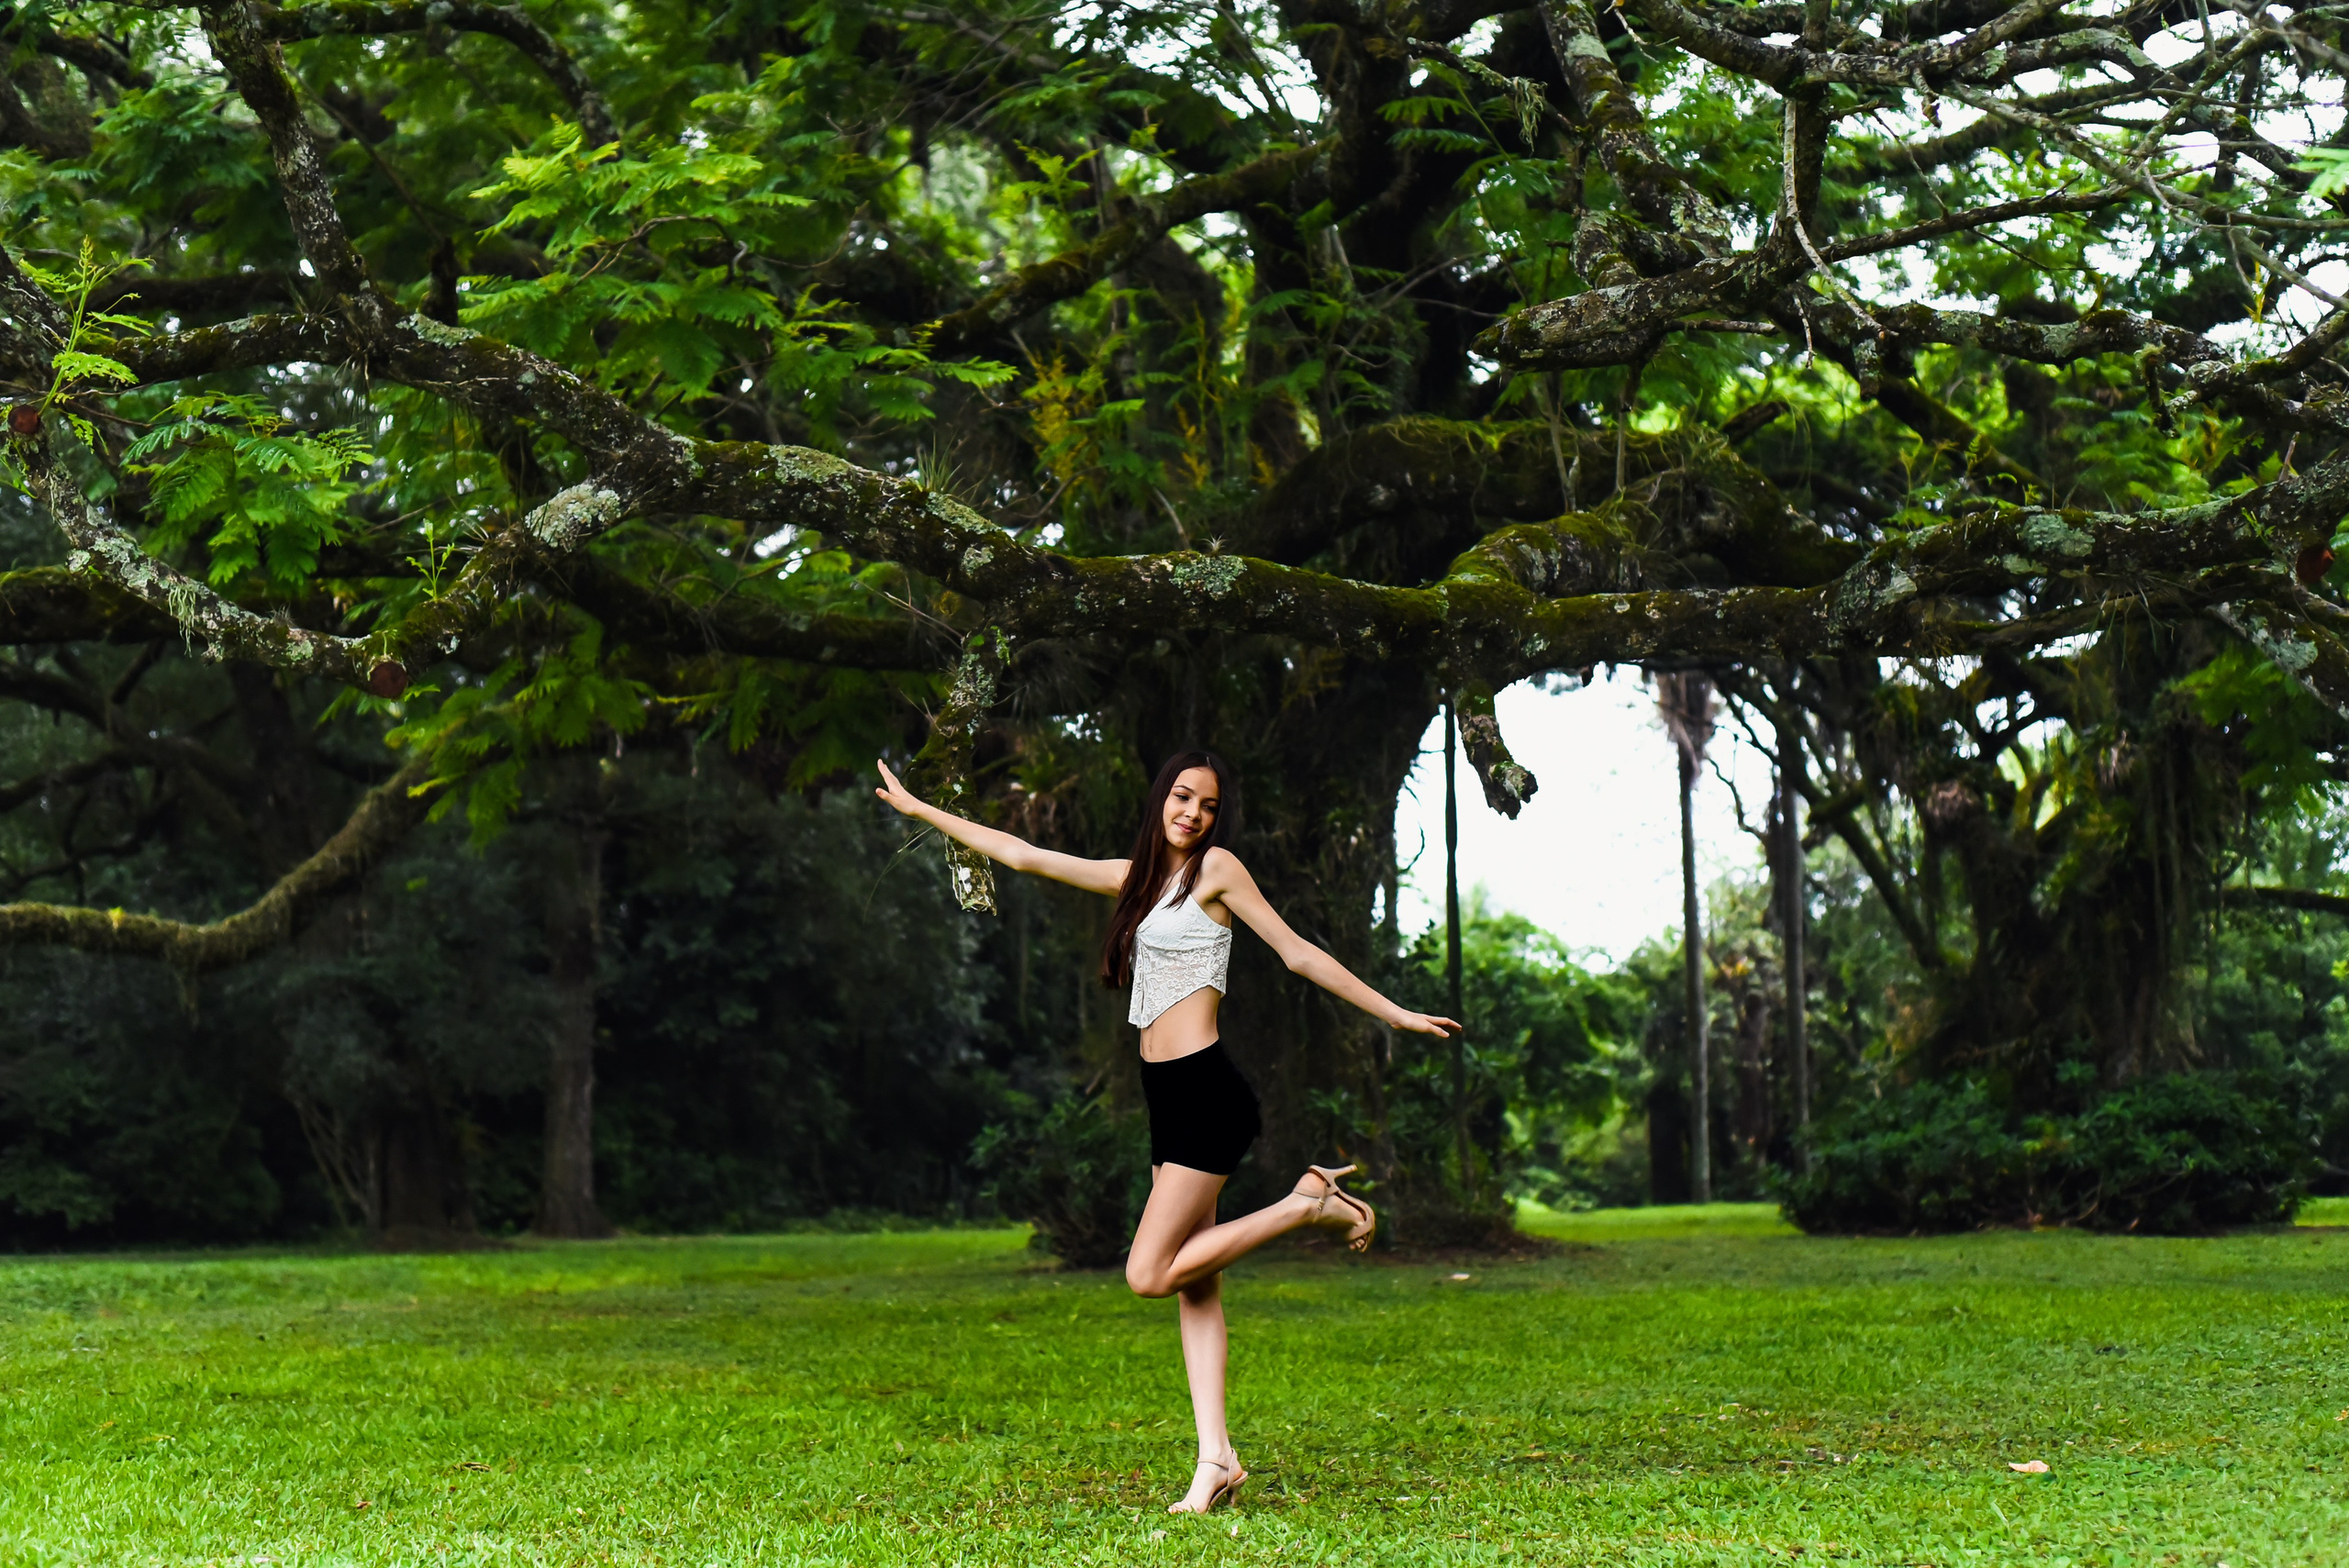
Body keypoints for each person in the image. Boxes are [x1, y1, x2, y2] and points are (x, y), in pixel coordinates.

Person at [874, 749, 1460, 1515]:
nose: (1193, 813)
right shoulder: (1136, 879)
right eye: (1183, 797)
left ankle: (1307, 1204)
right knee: (1194, 1282)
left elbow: (1296, 952)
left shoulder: (1218, 871)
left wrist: (1394, 1011)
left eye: (1208, 805)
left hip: (1207, 1094)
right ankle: (1215, 1456)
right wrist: (922, 813)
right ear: (1161, 801)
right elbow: (1021, 854)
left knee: (1149, 1271)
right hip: (1168, 1096)